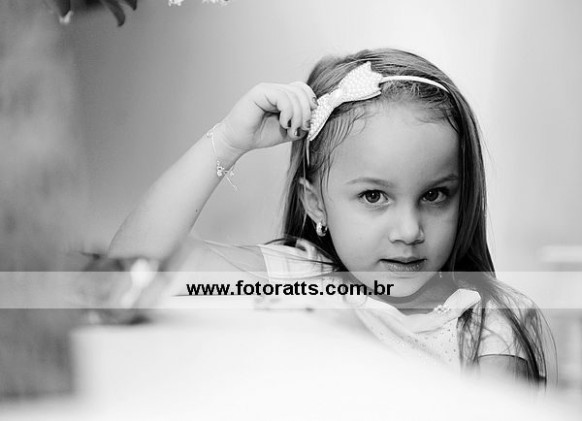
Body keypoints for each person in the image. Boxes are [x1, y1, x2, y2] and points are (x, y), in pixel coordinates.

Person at [108, 48, 553, 385]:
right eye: (374, 196)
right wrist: (228, 141)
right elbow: (131, 266)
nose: (409, 231)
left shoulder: (489, 322)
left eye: (435, 195)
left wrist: (361, 345)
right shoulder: (296, 281)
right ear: (315, 203)